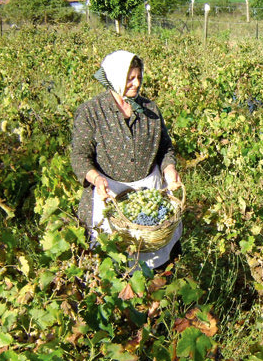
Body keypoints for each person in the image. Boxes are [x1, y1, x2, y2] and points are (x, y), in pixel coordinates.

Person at [70, 50, 182, 270]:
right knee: (113, 259)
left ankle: (153, 297)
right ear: (114, 77)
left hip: (148, 194)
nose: (136, 83)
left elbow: (165, 147)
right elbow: (79, 156)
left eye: (139, 77)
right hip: (110, 194)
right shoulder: (91, 112)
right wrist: (96, 179)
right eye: (129, 78)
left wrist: (169, 170)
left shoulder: (150, 109)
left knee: (154, 255)